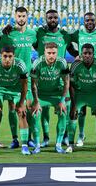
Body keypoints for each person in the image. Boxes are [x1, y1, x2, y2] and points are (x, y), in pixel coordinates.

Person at [34, 9, 77, 148]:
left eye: (55, 18)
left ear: (58, 19)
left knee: (64, 108)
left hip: (60, 77)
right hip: (43, 77)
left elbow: (70, 48)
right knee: (43, 110)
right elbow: (34, 44)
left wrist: (78, 55)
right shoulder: (40, 33)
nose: (52, 20)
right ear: (46, 19)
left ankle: (64, 137)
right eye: (50, 18)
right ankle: (46, 138)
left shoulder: (64, 34)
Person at [70, 12, 96, 147]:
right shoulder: (78, 33)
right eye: (87, 20)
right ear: (83, 21)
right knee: (81, 110)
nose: (90, 22)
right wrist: (76, 54)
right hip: (83, 73)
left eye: (92, 20)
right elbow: (67, 41)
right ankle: (81, 135)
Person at [0, 6, 37, 149]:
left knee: (28, 107)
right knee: (12, 108)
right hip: (12, 78)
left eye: (23, 16)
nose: (21, 19)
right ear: (15, 17)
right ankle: (15, 139)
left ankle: (29, 137)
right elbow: (1, 51)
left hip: (26, 77)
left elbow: (40, 47)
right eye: (19, 16)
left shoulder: (32, 34)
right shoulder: (9, 34)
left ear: (27, 17)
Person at [0, 46, 30, 155]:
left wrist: (21, 103)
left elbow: (25, 85)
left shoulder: (20, 65)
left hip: (15, 90)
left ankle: (24, 146)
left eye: (10, 56)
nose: (7, 59)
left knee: (22, 112)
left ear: (14, 56)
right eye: (5, 56)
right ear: (0, 56)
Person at [30, 42, 70, 154]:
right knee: (35, 114)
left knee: (63, 112)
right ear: (44, 53)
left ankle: (58, 145)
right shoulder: (37, 63)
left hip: (56, 94)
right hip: (42, 95)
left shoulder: (62, 62)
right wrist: (36, 102)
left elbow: (66, 82)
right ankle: (37, 145)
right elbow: (33, 85)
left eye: (54, 53)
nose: (51, 56)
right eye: (49, 53)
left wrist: (62, 101)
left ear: (57, 53)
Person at [66, 43, 96, 153]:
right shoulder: (75, 65)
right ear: (81, 54)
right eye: (85, 53)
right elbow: (71, 86)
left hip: (95, 93)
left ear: (93, 54)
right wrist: (74, 104)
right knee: (72, 114)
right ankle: (70, 144)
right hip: (80, 94)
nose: (87, 55)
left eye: (89, 53)